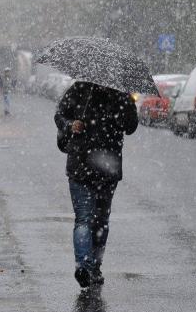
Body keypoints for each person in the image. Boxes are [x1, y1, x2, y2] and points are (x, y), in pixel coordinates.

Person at [55, 81, 138, 288]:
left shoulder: (83, 88)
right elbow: (131, 127)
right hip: (97, 167)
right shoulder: (112, 92)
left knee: (87, 219)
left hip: (92, 168)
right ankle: (90, 267)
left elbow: (130, 126)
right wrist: (70, 124)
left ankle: (86, 265)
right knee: (98, 220)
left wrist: (69, 124)